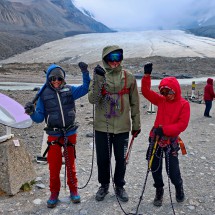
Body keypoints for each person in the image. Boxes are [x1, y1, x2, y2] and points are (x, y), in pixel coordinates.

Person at [24, 62, 90, 208]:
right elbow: (39, 118)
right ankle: (54, 193)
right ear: (49, 79)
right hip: (53, 135)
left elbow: (86, 88)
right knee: (54, 167)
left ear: (63, 79)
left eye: (59, 79)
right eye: (53, 79)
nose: (56, 81)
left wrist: (85, 72)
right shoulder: (43, 95)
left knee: (70, 165)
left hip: (70, 133)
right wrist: (31, 112)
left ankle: (74, 191)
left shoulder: (70, 90)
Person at [88, 45, 141, 202]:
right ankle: (104, 185)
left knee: (121, 158)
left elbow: (135, 103)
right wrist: (98, 80)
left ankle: (119, 186)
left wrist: (136, 124)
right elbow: (93, 99)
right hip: (102, 126)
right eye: (111, 58)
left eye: (118, 57)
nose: (115, 61)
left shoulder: (129, 77)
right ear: (105, 59)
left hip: (123, 126)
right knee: (103, 159)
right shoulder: (98, 76)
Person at [141, 63, 190, 207]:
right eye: (163, 92)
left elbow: (182, 125)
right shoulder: (161, 100)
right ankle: (159, 190)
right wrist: (146, 76)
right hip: (155, 138)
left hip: (170, 141)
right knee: (154, 166)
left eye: (168, 92)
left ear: (175, 90)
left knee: (172, 170)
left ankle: (178, 187)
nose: (166, 95)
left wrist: (165, 130)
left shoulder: (183, 104)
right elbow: (145, 92)